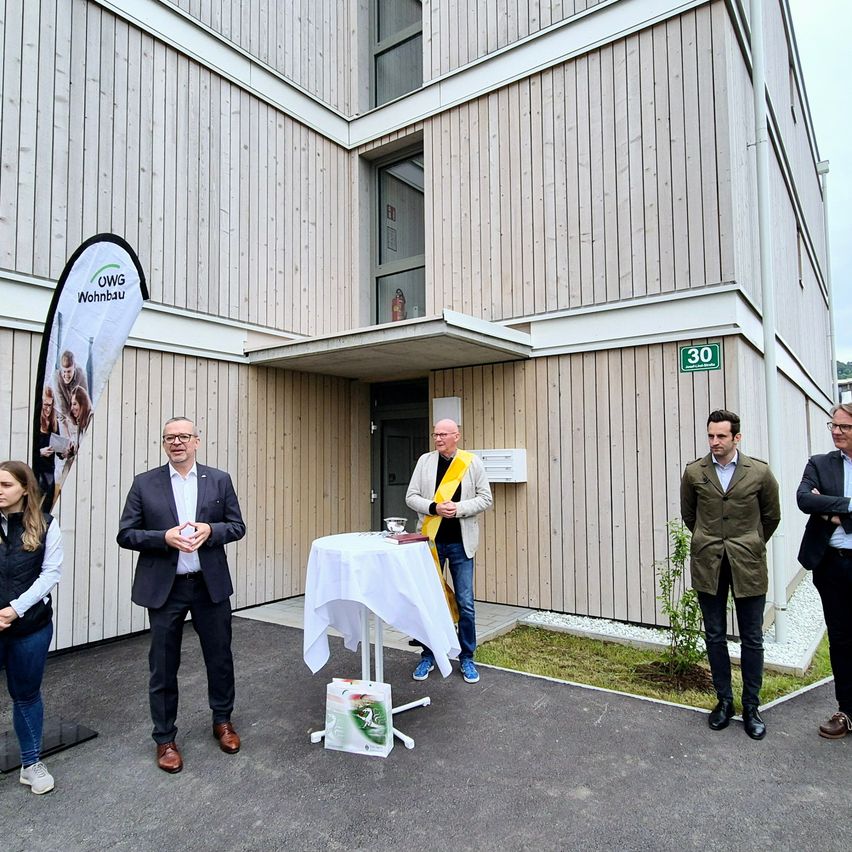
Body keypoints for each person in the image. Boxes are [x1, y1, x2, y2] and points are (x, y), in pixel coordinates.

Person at [117, 417, 246, 773]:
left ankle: (223, 721)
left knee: (219, 658)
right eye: (170, 437)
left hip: (209, 585)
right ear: (163, 444)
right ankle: (165, 739)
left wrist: (211, 529)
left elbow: (237, 526)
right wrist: (163, 538)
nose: (177, 442)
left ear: (197, 441)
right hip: (166, 588)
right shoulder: (145, 484)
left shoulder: (218, 479)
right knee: (163, 666)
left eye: (184, 437)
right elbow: (126, 534)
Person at [680, 410, 780, 739]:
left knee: (752, 638)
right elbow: (689, 515)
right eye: (710, 436)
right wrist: (712, 543)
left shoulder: (760, 472)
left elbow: (771, 517)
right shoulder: (695, 471)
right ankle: (724, 702)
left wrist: (748, 544)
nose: (715, 442)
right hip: (709, 563)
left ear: (736, 437)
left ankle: (751, 706)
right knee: (714, 635)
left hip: (747, 563)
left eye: (721, 436)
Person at [405, 418, 492, 684]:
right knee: (430, 601)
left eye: (444, 434)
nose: (438, 438)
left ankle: (467, 657)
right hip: (430, 542)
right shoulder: (425, 461)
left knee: (465, 603)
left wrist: (458, 508)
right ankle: (428, 655)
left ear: (457, 436)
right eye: (435, 434)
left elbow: (485, 498)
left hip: (461, 544)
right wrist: (433, 507)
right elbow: (411, 496)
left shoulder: (472, 462)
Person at [0, 461, 63, 795]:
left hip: (30, 628)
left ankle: (31, 764)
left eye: (6, 485)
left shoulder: (46, 526)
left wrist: (13, 610)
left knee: (25, 696)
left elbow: (50, 574)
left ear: (25, 488)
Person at [796, 403, 852, 739]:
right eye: (833, 425)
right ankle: (846, 711)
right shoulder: (819, 463)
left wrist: (829, 510)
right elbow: (805, 499)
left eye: (844, 427)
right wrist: (847, 507)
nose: (836, 431)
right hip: (830, 563)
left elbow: (819, 504)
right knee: (841, 638)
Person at [53, 350, 88, 420]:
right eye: (64, 371)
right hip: (61, 415)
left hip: (77, 413)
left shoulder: (81, 375)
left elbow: (84, 401)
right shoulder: (56, 377)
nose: (66, 375)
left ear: (74, 367)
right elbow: (62, 406)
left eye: (69, 371)